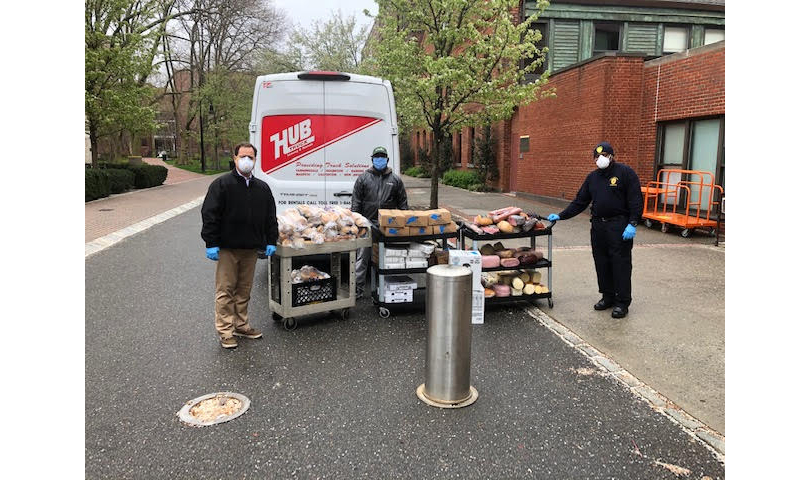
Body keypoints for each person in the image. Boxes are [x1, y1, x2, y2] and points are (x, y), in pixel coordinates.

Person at [547, 142, 643, 318]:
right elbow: (580, 202)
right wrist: (561, 215)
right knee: (602, 262)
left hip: (619, 226)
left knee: (620, 264)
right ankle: (607, 296)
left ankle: (622, 302)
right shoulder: (593, 178)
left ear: (612, 156)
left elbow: (636, 199)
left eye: (604, 155)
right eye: (597, 156)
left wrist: (633, 223)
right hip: (598, 226)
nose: (600, 159)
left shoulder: (625, 173)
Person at [201, 142, 279, 348]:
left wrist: (271, 240)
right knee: (226, 290)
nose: (246, 160)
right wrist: (211, 242)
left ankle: (241, 325)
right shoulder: (222, 185)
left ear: (255, 160)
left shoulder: (262, 188)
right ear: (235, 158)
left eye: (250, 157)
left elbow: (270, 217)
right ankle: (226, 330)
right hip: (227, 248)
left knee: (244, 290)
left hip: (250, 249)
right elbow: (210, 214)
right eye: (242, 156)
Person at [351, 146, 409, 297]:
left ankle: (392, 289)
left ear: (387, 160)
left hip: (388, 227)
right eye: (377, 157)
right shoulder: (363, 178)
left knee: (391, 257)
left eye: (382, 157)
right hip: (367, 224)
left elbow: (403, 206)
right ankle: (358, 288)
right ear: (372, 159)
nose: (379, 160)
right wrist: (357, 224)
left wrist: (405, 226)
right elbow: (356, 205)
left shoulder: (395, 180)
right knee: (362, 257)